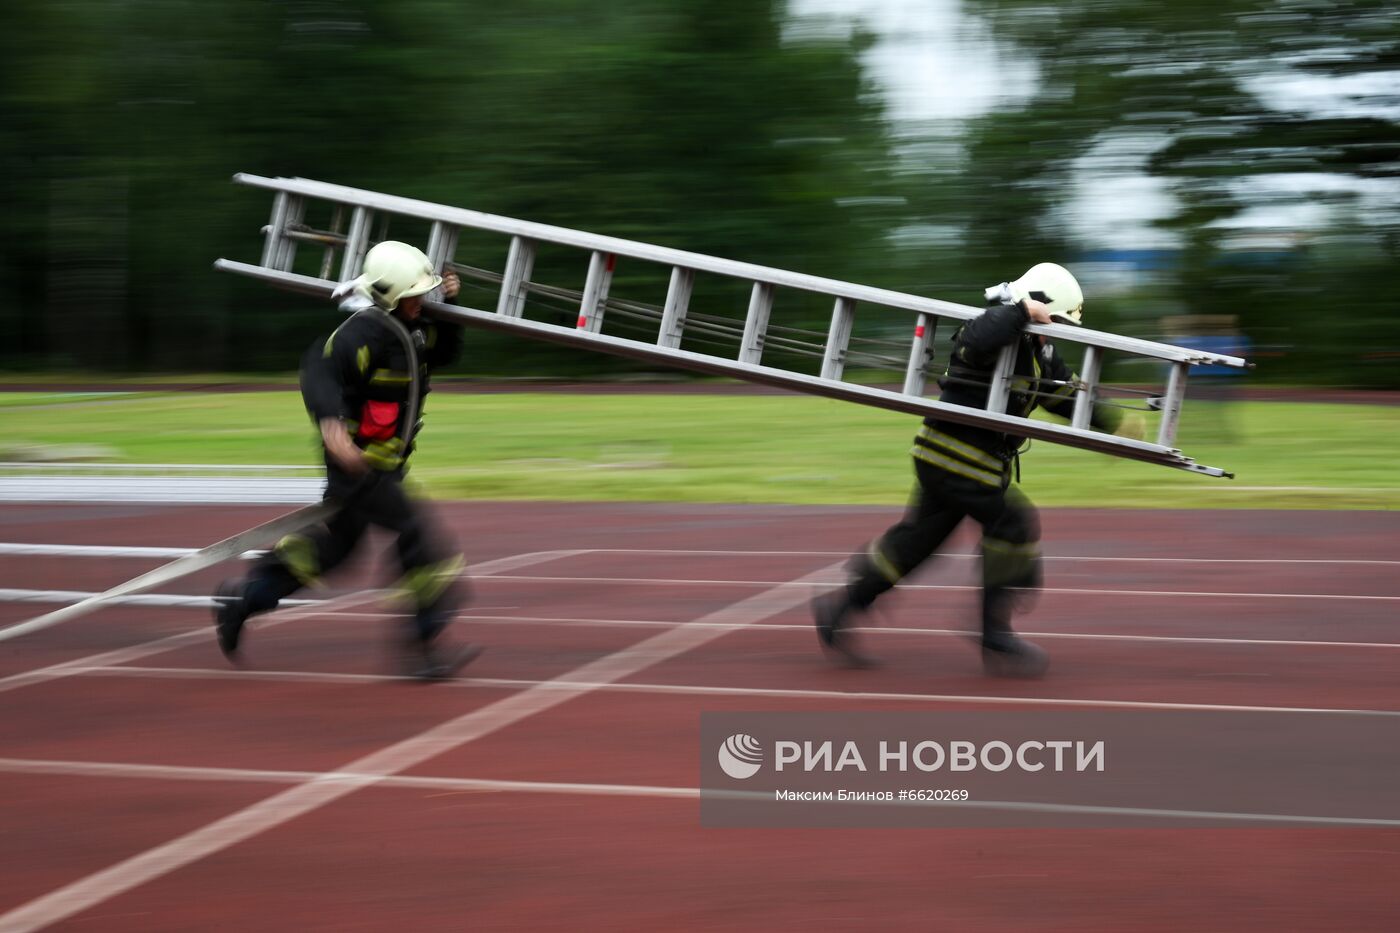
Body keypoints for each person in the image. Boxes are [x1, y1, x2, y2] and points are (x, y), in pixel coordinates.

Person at [811, 262, 1141, 678]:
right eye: (1052, 321)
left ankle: (840, 607)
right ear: (1037, 307)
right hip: (956, 459)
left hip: (961, 464)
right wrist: (1023, 311)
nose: (1052, 332)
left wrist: (1115, 423)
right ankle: (993, 634)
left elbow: (1064, 397)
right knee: (1013, 523)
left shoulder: (1040, 352)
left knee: (916, 545)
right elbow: (978, 336)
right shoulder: (992, 326)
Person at [213, 240, 479, 680]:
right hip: (360, 469)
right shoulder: (362, 333)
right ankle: (425, 643)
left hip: (383, 467)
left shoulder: (412, 326)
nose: (422, 300)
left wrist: (453, 301)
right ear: (391, 294)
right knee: (419, 540)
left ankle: (243, 600)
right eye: (416, 294)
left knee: (331, 552)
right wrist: (331, 428)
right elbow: (318, 369)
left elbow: (444, 352)